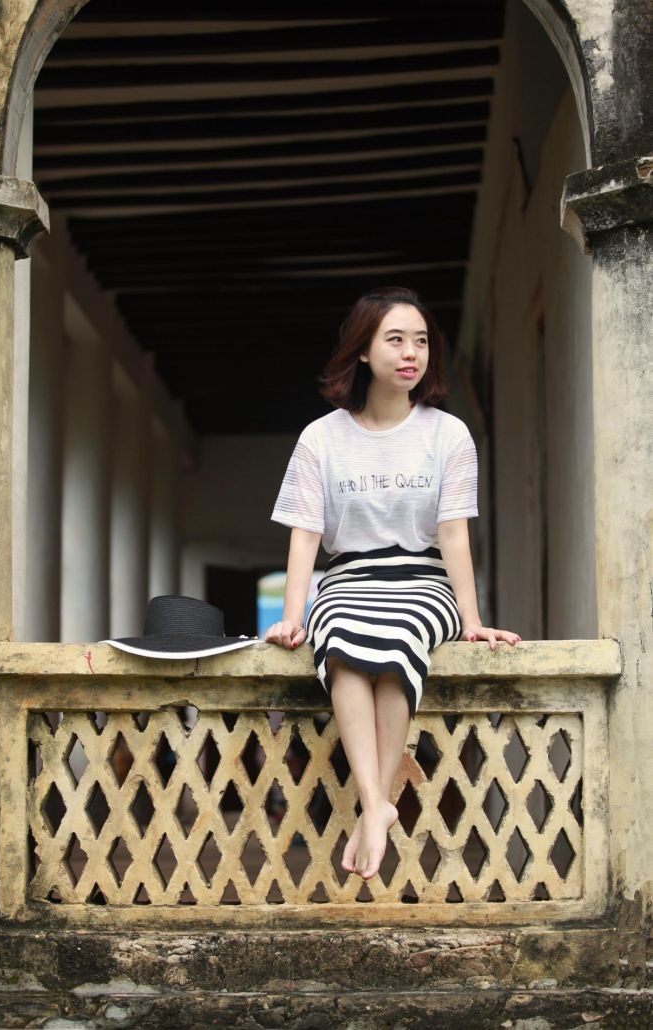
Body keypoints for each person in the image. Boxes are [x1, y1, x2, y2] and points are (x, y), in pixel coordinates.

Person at [266, 286, 521, 882]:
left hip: (424, 580)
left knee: (402, 638)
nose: (412, 353)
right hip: (348, 579)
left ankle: (372, 806)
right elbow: (305, 536)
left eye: (422, 341)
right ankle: (377, 800)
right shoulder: (320, 438)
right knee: (339, 640)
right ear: (363, 349)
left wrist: (472, 619)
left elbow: (453, 534)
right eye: (396, 340)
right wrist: (293, 615)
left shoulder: (448, 435)